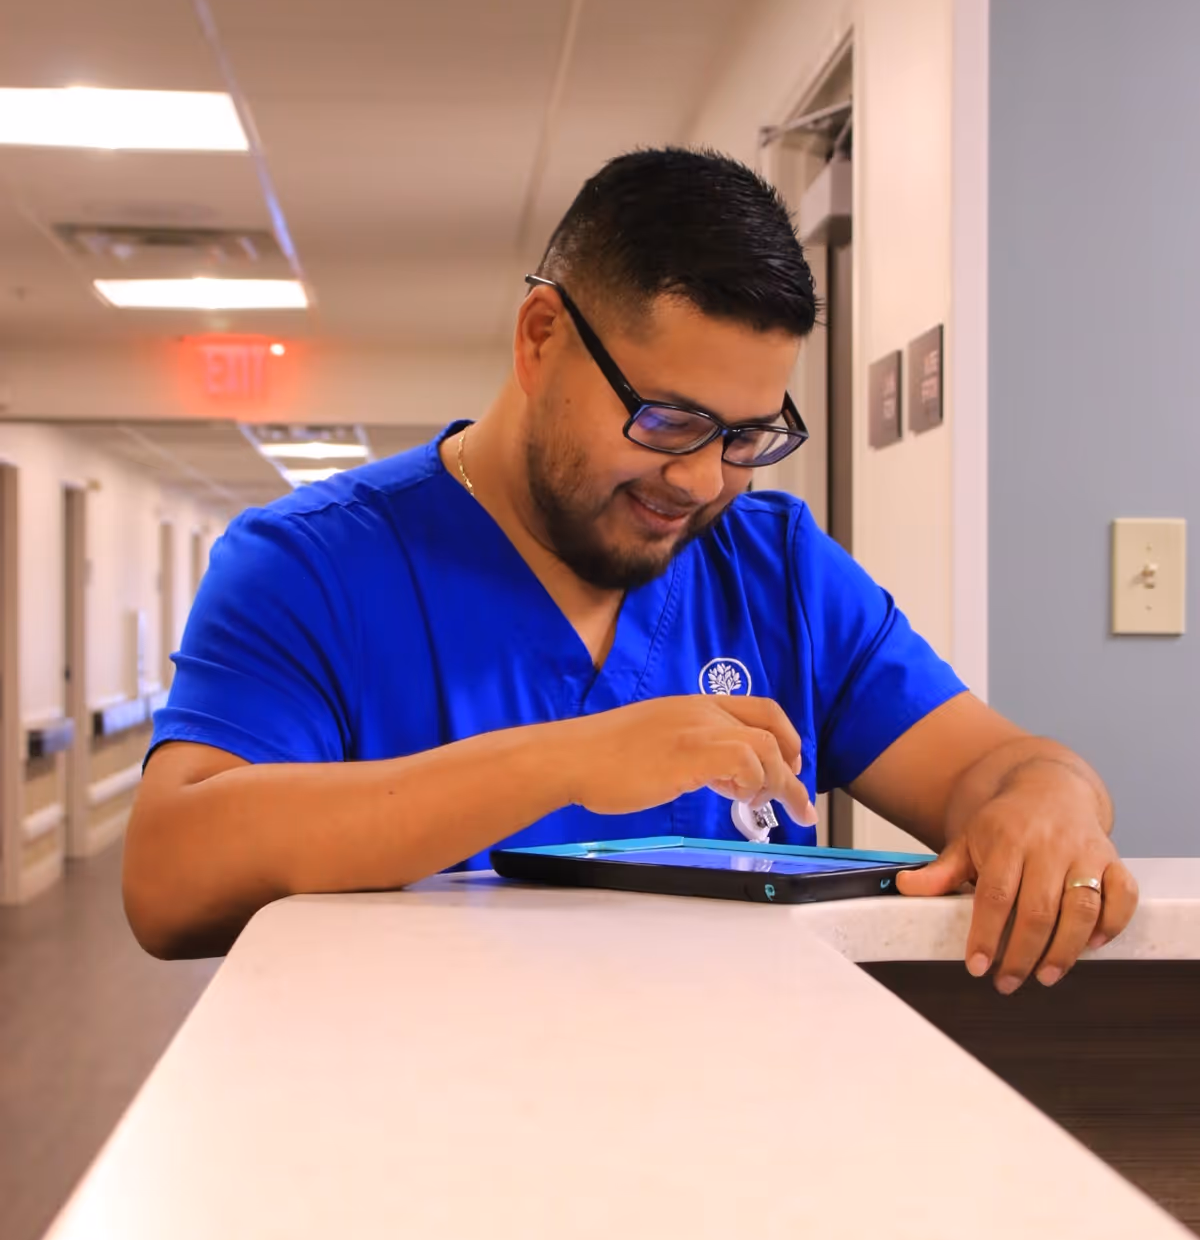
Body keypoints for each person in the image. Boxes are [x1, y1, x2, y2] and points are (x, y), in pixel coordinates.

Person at [124, 147, 1137, 981]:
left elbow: (999, 765)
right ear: (540, 339)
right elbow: (170, 883)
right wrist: (568, 761)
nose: (701, 481)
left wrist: (1050, 801)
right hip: (417, 1149)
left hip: (743, 1142)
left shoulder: (778, 569)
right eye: (669, 420)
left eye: (746, 435)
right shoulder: (311, 567)